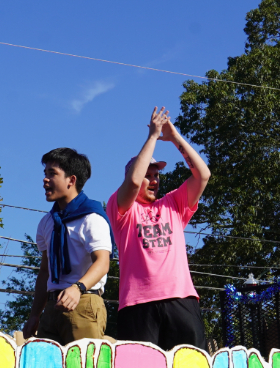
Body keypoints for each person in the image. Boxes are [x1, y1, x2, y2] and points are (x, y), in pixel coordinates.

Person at [106, 106, 212, 350]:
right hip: (137, 306)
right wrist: (152, 136)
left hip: (181, 300)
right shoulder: (122, 209)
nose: (154, 180)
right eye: (148, 174)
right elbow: (133, 181)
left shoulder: (174, 203)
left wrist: (174, 137)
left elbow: (202, 175)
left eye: (157, 175)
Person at [25, 148, 111, 344]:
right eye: (45, 174)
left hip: (84, 302)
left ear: (71, 180)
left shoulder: (92, 218)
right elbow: (45, 271)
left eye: (52, 174)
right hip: (52, 306)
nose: (45, 180)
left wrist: (77, 288)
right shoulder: (47, 222)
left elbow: (103, 262)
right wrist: (35, 315)